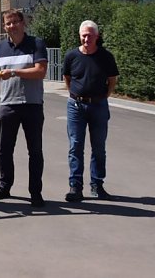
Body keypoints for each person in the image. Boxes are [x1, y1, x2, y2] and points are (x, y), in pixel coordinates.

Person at [0, 8, 48, 207]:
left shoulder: (36, 44)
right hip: (8, 105)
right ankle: (5, 185)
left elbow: (40, 71)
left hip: (32, 105)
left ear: (23, 23)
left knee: (35, 151)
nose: (12, 26)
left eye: (15, 22)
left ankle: (35, 192)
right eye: (8, 23)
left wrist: (14, 72)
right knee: (4, 150)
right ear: (4, 26)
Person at [63, 20, 119, 202]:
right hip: (76, 107)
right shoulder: (71, 56)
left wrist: (104, 97)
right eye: (84, 35)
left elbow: (112, 80)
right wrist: (75, 94)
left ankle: (97, 185)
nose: (87, 38)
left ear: (97, 36)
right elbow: (67, 78)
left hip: (98, 106)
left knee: (99, 147)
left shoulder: (106, 57)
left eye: (90, 35)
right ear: (80, 36)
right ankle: (75, 187)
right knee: (75, 146)